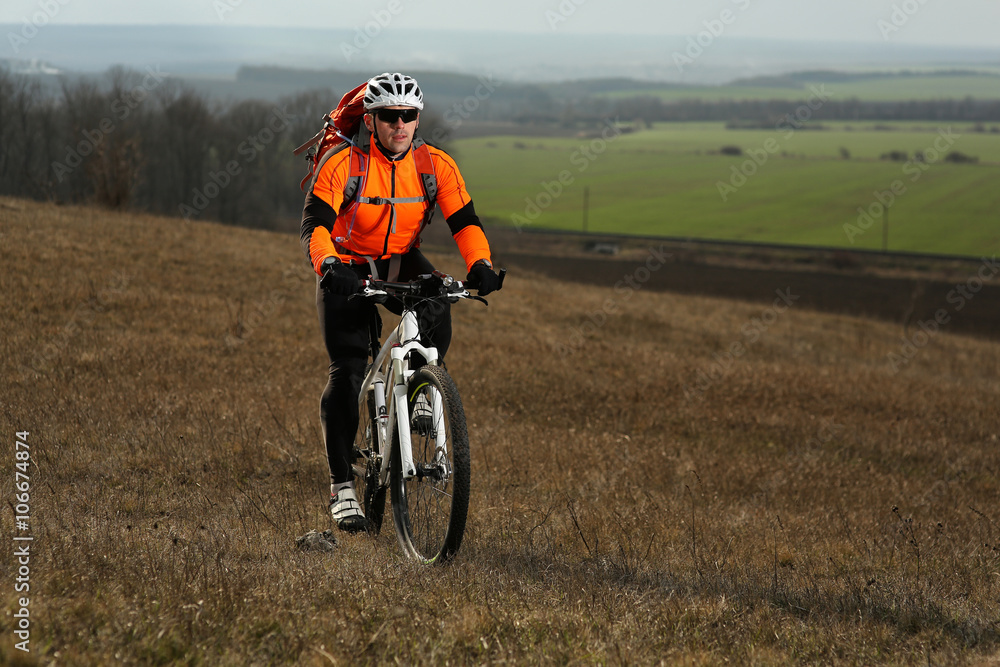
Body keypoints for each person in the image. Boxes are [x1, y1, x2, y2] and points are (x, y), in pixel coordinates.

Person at [300, 72, 501, 533]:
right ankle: (341, 486)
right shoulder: (343, 164)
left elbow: (464, 220)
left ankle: (422, 388)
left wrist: (481, 264)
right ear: (371, 121)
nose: (400, 124)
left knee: (439, 298)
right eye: (390, 116)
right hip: (346, 264)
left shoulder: (435, 165)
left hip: (398, 260)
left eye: (408, 116)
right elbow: (315, 225)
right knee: (348, 370)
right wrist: (330, 267)